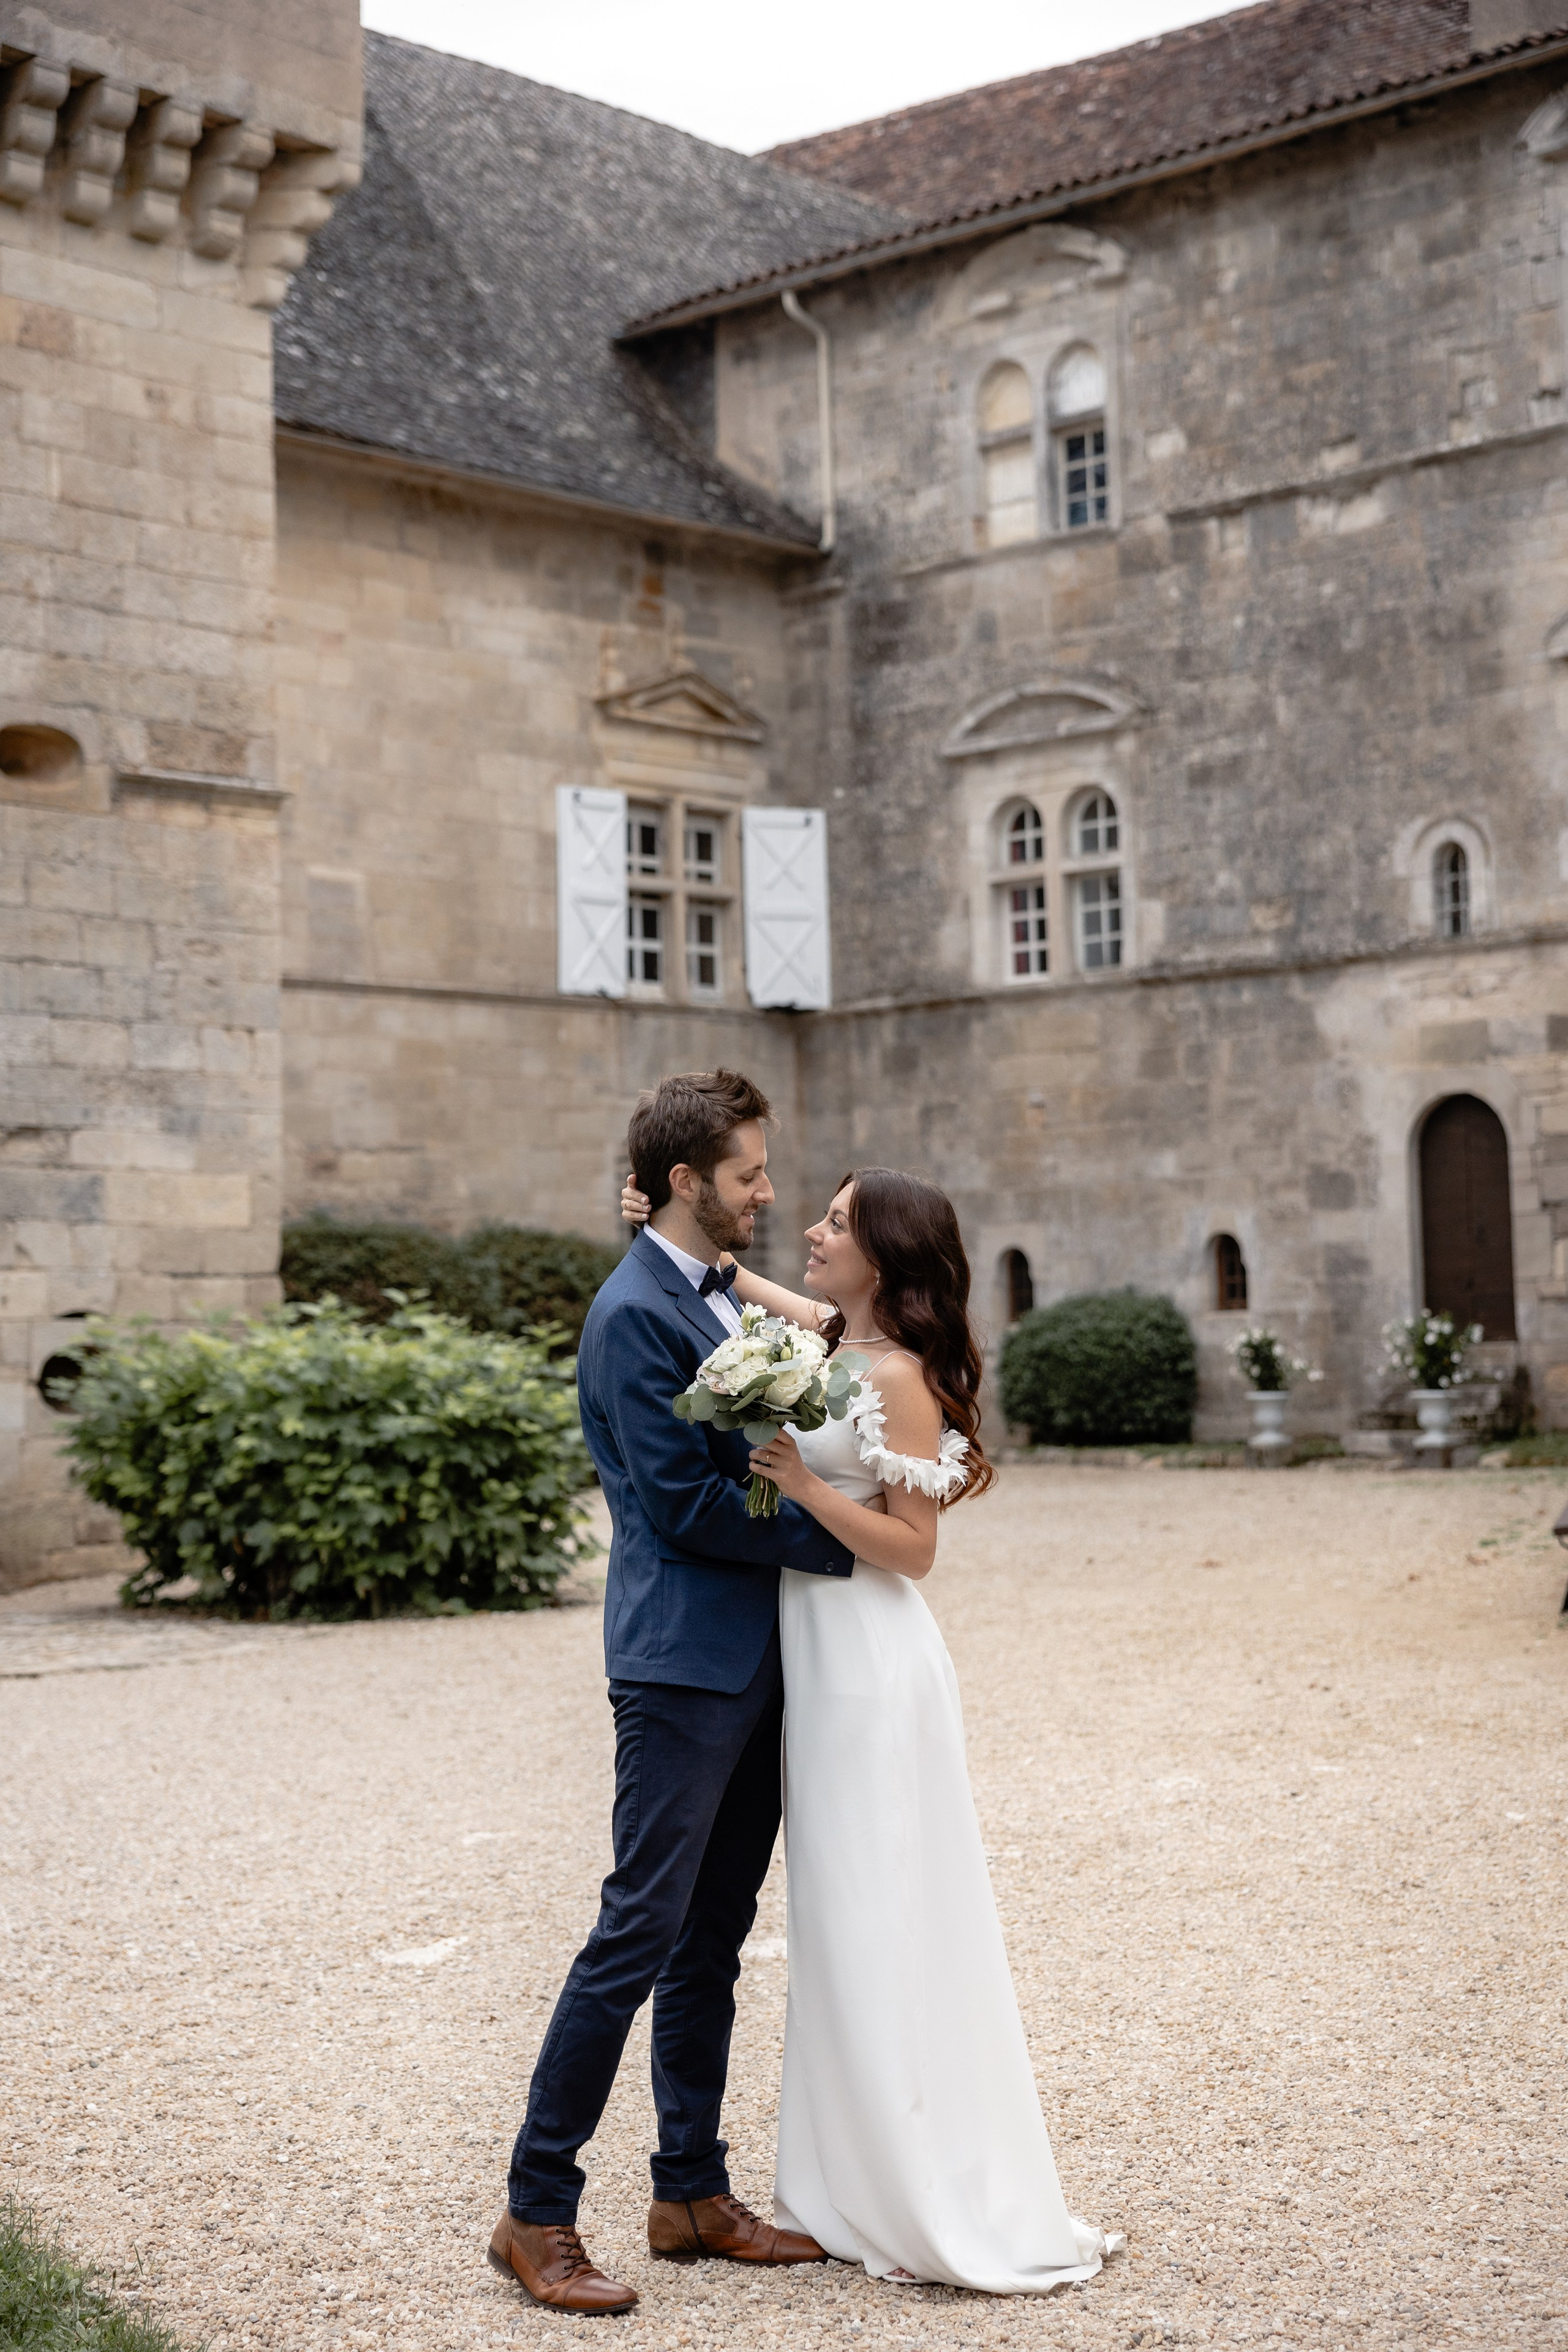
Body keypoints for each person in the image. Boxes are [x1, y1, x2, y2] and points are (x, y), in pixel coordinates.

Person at [618, 1160, 1123, 2294]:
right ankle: (851, 2179)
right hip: (816, 1668)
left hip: (873, 1669)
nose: (811, 1229)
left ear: (884, 1256)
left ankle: (921, 2183)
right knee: (840, 1924)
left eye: (836, 1222)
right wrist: (662, 1221)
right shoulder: (833, 1342)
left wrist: (799, 1486)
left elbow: (914, 1550)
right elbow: (750, 1288)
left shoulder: (895, 1378)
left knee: (889, 1911)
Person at [489, 1070, 853, 2314]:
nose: (766, 1191)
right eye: (748, 1174)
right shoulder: (633, 1313)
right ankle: (535, 2211)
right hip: (678, 1669)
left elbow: (786, 1396)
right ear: (689, 1183)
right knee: (634, 1934)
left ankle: (689, 2192)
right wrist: (835, 1540)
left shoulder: (701, 1293)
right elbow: (682, 1506)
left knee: (711, 1940)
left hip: (753, 1662)